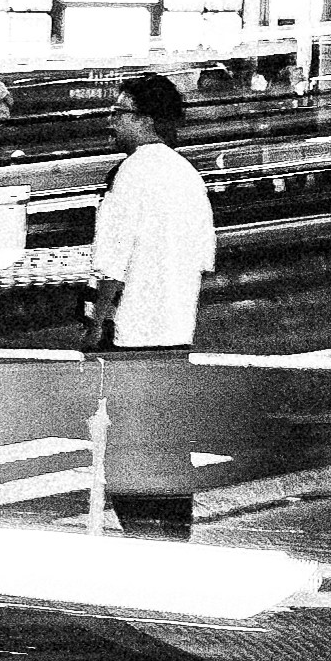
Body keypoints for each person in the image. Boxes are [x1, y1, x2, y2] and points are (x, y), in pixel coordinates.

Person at [83, 70, 216, 540]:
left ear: (144, 120)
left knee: (125, 449)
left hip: (133, 335)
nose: (111, 123)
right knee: (169, 442)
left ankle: (144, 540)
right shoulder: (188, 176)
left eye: (118, 113)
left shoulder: (130, 174)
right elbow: (203, 260)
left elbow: (112, 264)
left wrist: (97, 323)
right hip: (177, 333)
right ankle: (174, 538)